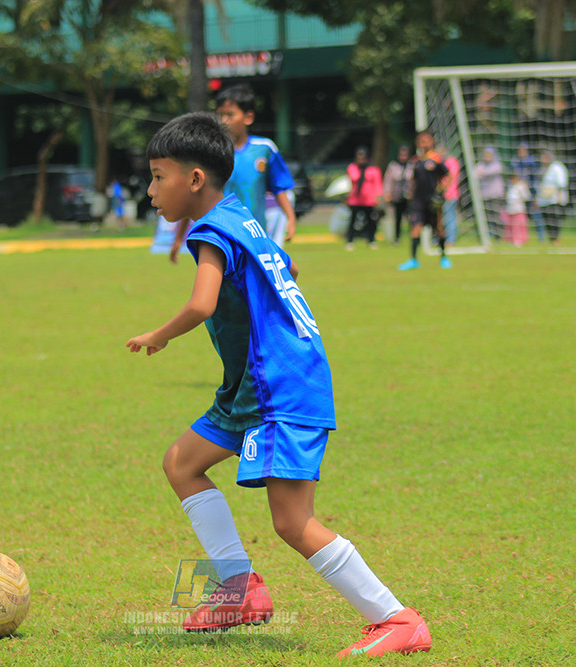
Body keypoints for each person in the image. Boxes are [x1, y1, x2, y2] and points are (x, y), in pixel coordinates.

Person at [127, 111, 431, 658]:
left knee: (293, 522)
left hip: (279, 389)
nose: (150, 190)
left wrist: (160, 335)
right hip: (256, 385)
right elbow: (284, 264)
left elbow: (202, 303)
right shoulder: (243, 217)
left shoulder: (210, 229)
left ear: (195, 180)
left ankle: (396, 618)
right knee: (182, 463)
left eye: (157, 175)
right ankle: (239, 592)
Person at [169, 84, 296, 262]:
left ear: (248, 117)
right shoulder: (209, 153)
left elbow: (279, 187)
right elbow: (193, 194)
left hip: (255, 236)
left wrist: (290, 218)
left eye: (230, 115)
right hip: (220, 236)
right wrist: (177, 239)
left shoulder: (264, 149)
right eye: (220, 115)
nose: (223, 121)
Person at [399, 129, 450, 270]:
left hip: (433, 201)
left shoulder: (436, 159)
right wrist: (409, 193)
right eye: (421, 141)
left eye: (426, 140)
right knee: (416, 228)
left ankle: (444, 257)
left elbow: (448, 175)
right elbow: (413, 180)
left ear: (431, 142)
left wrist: (442, 190)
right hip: (418, 201)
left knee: (439, 229)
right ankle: (413, 260)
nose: (424, 143)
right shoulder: (415, 161)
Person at [344, 146, 383, 250]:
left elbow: (377, 184)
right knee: (352, 221)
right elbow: (350, 182)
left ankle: (371, 240)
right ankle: (350, 240)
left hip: (369, 200)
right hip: (355, 199)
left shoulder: (373, 169)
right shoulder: (352, 168)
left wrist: (377, 197)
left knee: (371, 221)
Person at [511, 142, 544, 241]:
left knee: (535, 215)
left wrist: (535, 194)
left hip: (530, 192)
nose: (521, 152)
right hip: (518, 194)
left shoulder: (532, 163)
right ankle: (519, 237)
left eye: (523, 150)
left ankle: (540, 237)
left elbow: (535, 178)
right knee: (518, 216)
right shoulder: (515, 162)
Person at [537, 149, 569, 244]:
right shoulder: (542, 168)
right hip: (544, 198)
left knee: (554, 218)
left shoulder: (556, 166)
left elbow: (562, 182)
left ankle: (556, 238)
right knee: (546, 219)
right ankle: (551, 238)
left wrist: (559, 195)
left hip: (554, 198)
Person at [474, 147, 505, 240]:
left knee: (496, 216)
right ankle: (486, 235)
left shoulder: (497, 164)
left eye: (489, 155)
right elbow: (474, 174)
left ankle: (498, 236)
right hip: (484, 195)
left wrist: (482, 173)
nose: (487, 157)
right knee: (486, 216)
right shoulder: (480, 164)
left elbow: (491, 172)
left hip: (495, 195)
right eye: (485, 155)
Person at [383, 145, 411, 245]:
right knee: (397, 219)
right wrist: (387, 193)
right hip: (397, 196)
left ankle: (414, 238)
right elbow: (388, 181)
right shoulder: (393, 166)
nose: (403, 157)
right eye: (401, 155)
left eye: (405, 155)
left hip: (409, 196)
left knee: (412, 218)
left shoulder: (412, 165)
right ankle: (397, 238)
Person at [502, 172, 530, 246]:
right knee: (510, 226)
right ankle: (511, 240)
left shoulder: (521, 186)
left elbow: (526, 197)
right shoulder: (510, 186)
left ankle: (519, 240)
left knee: (518, 226)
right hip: (510, 210)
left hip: (518, 210)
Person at [440, 146, 461, 245]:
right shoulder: (444, 162)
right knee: (445, 217)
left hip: (450, 194)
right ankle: (444, 238)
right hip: (445, 194)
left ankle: (450, 239)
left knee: (449, 216)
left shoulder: (451, 162)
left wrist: (446, 191)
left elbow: (451, 178)